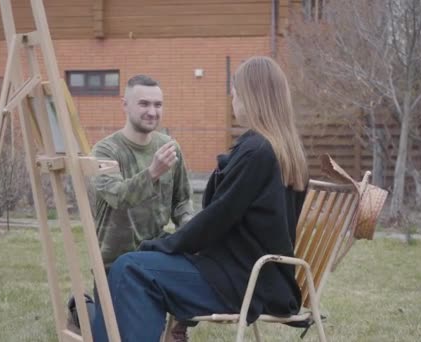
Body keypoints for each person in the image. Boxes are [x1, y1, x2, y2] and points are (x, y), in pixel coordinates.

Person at [91, 56, 309, 341]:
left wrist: (161, 245)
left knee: (131, 267)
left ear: (250, 98)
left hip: (242, 281)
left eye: (235, 94)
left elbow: (215, 219)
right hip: (262, 277)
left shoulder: (257, 151)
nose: (233, 100)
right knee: (137, 266)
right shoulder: (282, 149)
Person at [67, 75, 194, 341]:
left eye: (158, 104)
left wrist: (188, 231)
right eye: (144, 103)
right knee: (113, 337)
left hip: (154, 259)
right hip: (114, 264)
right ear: (124, 104)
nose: (152, 111)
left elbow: (182, 200)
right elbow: (118, 196)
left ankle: (176, 327)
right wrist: (153, 172)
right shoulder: (105, 150)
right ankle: (82, 309)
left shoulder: (169, 148)